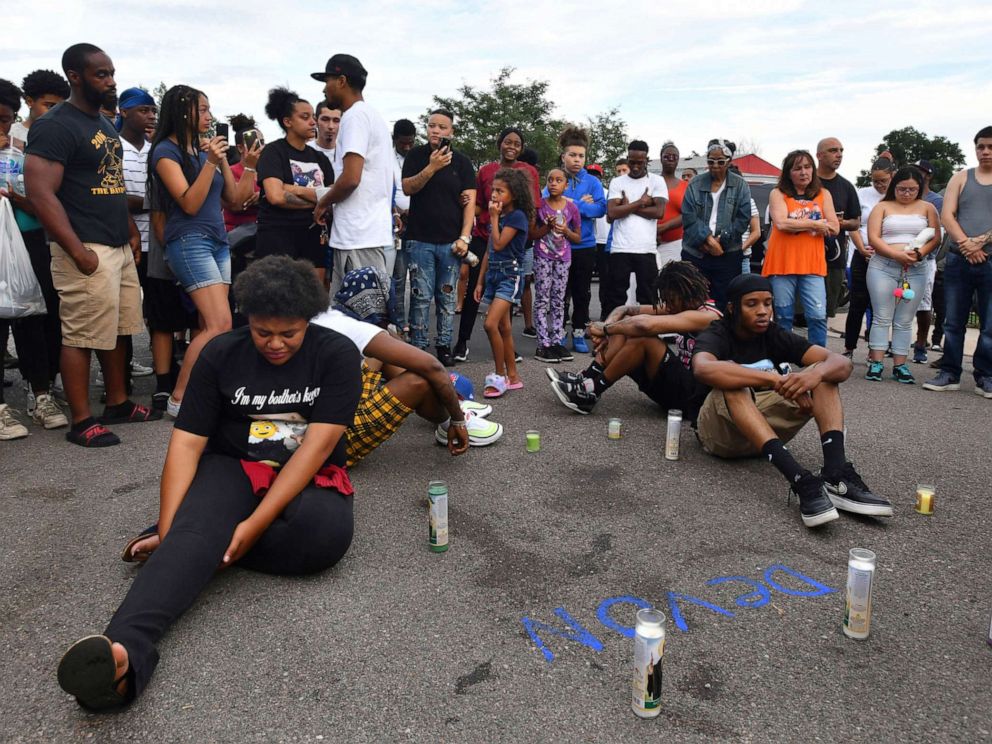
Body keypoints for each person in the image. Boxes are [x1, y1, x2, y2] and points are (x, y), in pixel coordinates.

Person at [56, 256, 362, 711]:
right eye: (263, 333)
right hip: (233, 464)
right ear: (246, 320)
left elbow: (316, 448)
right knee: (191, 532)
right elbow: (186, 445)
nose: (275, 344)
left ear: (308, 323)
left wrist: (252, 525)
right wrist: (167, 525)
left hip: (307, 471)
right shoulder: (220, 354)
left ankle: (194, 544)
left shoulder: (336, 354)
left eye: (289, 334)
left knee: (325, 538)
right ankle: (122, 658)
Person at [24, 44, 160, 447]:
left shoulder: (102, 124)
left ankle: (117, 402)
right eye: (101, 74)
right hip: (83, 246)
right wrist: (75, 249)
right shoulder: (55, 124)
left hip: (116, 242)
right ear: (75, 76)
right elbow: (41, 192)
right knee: (81, 334)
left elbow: (112, 185)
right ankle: (81, 420)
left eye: (112, 72)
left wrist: (131, 232)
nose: (111, 81)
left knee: (119, 331)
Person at [691, 274, 892, 528]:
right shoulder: (718, 332)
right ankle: (800, 479)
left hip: (761, 435)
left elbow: (842, 364)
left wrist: (813, 376)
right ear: (732, 308)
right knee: (732, 382)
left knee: (824, 374)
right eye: (752, 304)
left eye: (767, 303)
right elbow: (703, 368)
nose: (763, 312)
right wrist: (775, 380)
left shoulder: (773, 334)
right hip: (719, 435)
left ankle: (836, 474)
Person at [312, 267, 502, 459]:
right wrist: (458, 420)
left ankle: (450, 405)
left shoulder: (332, 315)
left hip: (319, 422)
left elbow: (391, 342)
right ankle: (450, 424)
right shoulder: (356, 329)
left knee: (389, 356)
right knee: (418, 381)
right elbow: (432, 366)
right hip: (335, 440)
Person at [150, 85, 252, 418]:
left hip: (218, 241)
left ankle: (208, 392)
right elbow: (190, 203)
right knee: (219, 323)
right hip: (188, 241)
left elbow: (235, 199)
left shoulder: (202, 150)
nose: (210, 116)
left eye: (210, 109)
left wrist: (247, 165)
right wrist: (210, 162)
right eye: (203, 109)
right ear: (182, 113)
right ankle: (178, 399)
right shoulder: (165, 152)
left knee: (214, 324)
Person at [550, 261, 720, 417]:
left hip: (692, 396)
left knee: (644, 338)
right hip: (674, 386)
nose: (668, 307)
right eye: (666, 301)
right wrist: (607, 330)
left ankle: (591, 392)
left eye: (672, 300)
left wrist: (606, 329)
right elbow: (624, 309)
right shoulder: (679, 307)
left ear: (687, 293)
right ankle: (588, 378)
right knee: (625, 327)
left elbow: (644, 326)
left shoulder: (708, 316)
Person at [0, 73, 69, 434]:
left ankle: (40, 393)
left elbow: (42, 199)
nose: (1, 127)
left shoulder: (22, 150)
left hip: (28, 240)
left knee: (33, 315)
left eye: (5, 120)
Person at [454, 127, 540, 362]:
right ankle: (462, 342)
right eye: (507, 142)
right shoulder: (486, 171)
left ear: (521, 148)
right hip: (484, 236)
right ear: (499, 144)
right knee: (475, 289)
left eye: (517, 143)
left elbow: (533, 207)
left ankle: (507, 348)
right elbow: (479, 205)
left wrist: (526, 236)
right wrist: (467, 202)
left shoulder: (528, 171)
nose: (512, 147)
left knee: (506, 296)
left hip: (511, 238)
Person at [311, 54, 393, 296]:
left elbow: (351, 178)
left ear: (342, 81)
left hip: (358, 236)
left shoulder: (354, 117)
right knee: (364, 317)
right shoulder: (372, 115)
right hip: (368, 233)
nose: (325, 88)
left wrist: (323, 202)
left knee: (359, 320)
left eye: (327, 81)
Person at [401, 109, 476, 366]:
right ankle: (419, 346)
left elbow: (470, 202)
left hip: (450, 242)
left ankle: (444, 345)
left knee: (446, 297)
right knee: (420, 296)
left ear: (451, 131)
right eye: (432, 125)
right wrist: (431, 167)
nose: (436, 131)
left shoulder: (463, 163)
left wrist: (465, 238)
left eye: (442, 127)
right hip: (419, 239)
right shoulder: (416, 156)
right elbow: (408, 187)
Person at [924, 126, 992, 398]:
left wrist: (981, 242)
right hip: (958, 259)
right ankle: (949, 372)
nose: (985, 152)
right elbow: (947, 216)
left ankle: (985, 376)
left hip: (989, 260)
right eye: (981, 147)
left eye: (990, 147)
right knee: (953, 320)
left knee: (989, 324)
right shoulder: (961, 177)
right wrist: (966, 244)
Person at [864, 166, 941, 383]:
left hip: (915, 267)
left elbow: (935, 237)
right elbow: (873, 237)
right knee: (882, 315)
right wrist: (895, 254)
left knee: (905, 319)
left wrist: (919, 254)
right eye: (901, 189)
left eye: (912, 189)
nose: (906, 194)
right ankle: (876, 362)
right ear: (894, 187)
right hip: (884, 264)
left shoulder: (928, 208)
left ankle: (900, 364)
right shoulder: (883, 207)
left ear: (920, 189)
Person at [254, 87, 333, 283]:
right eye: (305, 117)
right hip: (277, 238)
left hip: (313, 238)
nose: (313, 122)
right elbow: (276, 197)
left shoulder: (320, 158)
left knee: (312, 302)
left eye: (313, 116)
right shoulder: (273, 152)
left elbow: (331, 198)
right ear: (287, 122)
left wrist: (291, 188)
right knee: (278, 301)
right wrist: (318, 198)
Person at [762, 149, 840, 347]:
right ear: (788, 172)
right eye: (797, 168)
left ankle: (817, 361)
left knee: (817, 315)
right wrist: (815, 224)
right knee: (783, 316)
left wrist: (801, 223)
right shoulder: (777, 193)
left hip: (812, 264)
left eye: (807, 167)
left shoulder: (824, 194)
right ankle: (783, 359)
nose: (804, 172)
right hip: (782, 263)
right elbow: (781, 223)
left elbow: (834, 226)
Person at [473, 168, 534, 397]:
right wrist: (480, 281)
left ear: (514, 194)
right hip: (494, 275)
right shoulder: (498, 215)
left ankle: (500, 376)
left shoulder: (516, 216)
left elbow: (499, 245)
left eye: (500, 191)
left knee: (490, 324)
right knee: (504, 327)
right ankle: (514, 377)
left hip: (510, 274)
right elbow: (490, 250)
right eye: (493, 190)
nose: (494, 195)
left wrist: (495, 217)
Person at [681, 139, 752, 308]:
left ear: (729, 161)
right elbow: (688, 216)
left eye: (720, 161)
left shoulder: (740, 185)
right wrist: (707, 239)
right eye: (711, 161)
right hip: (696, 252)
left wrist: (721, 241)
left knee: (724, 301)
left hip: (727, 253)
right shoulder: (695, 184)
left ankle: (721, 334)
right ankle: (691, 334)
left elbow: (743, 218)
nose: (715, 165)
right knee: (693, 299)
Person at [556, 126, 606, 354]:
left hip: (585, 246)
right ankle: (557, 333)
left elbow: (600, 209)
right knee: (559, 291)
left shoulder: (593, 182)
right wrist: (582, 204)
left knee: (582, 292)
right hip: (558, 245)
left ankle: (578, 332)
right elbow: (548, 206)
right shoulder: (555, 177)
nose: (577, 160)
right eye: (572, 155)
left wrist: (572, 203)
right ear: (563, 155)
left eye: (581, 156)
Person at [605, 140, 667, 316]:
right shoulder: (617, 182)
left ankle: (646, 338)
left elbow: (659, 212)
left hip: (646, 248)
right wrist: (640, 203)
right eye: (632, 161)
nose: (635, 166)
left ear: (647, 160)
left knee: (648, 296)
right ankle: (612, 336)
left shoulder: (657, 181)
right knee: (615, 296)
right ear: (627, 158)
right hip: (620, 248)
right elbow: (612, 212)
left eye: (640, 162)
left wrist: (627, 208)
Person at [845, 158, 893, 357]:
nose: (879, 185)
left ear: (892, 176)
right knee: (858, 301)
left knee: (879, 305)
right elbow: (854, 225)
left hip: (886, 257)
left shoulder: (897, 196)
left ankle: (876, 348)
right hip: (862, 254)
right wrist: (862, 249)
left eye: (883, 180)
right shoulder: (862, 194)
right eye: (875, 181)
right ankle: (849, 347)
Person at [532, 168, 581, 362]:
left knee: (559, 300)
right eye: (550, 179)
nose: (553, 183)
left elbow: (577, 237)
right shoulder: (540, 206)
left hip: (563, 258)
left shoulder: (571, 208)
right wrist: (547, 226)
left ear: (565, 185)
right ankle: (543, 344)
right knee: (542, 299)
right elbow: (532, 234)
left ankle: (557, 341)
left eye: (558, 180)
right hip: (543, 256)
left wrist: (566, 231)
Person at [814, 138, 862, 321]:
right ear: (819, 155)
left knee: (824, 312)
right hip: (804, 254)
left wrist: (836, 223)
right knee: (798, 313)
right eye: (833, 150)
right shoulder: (807, 182)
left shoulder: (847, 187)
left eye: (841, 150)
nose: (839, 154)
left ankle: (819, 349)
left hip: (833, 258)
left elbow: (856, 223)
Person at [910, 159, 945, 364]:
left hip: (925, 258)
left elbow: (936, 234)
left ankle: (921, 344)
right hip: (900, 257)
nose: (916, 174)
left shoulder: (936, 201)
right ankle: (897, 343)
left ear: (929, 175)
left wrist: (922, 253)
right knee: (899, 302)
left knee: (923, 304)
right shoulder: (903, 195)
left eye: (920, 172)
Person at [390, 118, 416, 331]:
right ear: (394, 139)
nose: (407, 147)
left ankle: (417, 323)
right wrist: (397, 212)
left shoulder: (418, 158)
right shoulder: (387, 159)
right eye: (402, 143)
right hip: (396, 227)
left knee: (417, 279)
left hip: (418, 226)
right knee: (398, 278)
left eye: (410, 143)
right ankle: (400, 323)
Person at [222, 114, 263, 234]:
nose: (259, 147)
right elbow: (238, 203)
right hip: (238, 233)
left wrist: (262, 196)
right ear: (240, 148)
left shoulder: (268, 171)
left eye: (262, 142)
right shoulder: (230, 171)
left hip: (263, 230)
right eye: (254, 143)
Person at [656, 142, 687, 269]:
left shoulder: (686, 186)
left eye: (674, 157)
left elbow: (688, 213)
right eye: (667, 156)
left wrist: (663, 227)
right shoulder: (651, 182)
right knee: (648, 284)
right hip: (649, 242)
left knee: (672, 284)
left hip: (675, 244)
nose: (670, 159)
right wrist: (653, 231)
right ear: (661, 158)